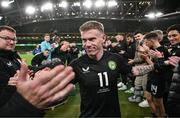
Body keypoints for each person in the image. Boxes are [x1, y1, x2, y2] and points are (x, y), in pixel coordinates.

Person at [0, 25, 75, 117]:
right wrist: (11, 86)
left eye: (14, 39)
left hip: (26, 107)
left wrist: (37, 71)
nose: (11, 42)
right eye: (6, 38)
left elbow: (26, 71)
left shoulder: (14, 56)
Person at [70, 21, 132, 117]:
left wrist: (156, 64)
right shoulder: (76, 64)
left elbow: (133, 71)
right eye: (84, 40)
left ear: (103, 38)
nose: (87, 44)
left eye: (91, 39)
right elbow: (60, 87)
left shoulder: (115, 58)